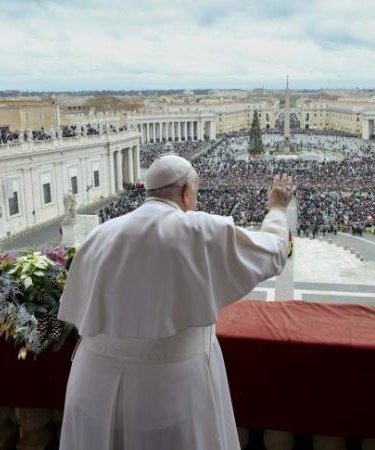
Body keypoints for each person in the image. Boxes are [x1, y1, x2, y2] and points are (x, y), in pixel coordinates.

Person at [57, 155, 294, 450]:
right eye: (194, 193)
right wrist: (277, 209)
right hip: (166, 392)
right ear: (185, 193)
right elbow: (274, 251)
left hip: (91, 384)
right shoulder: (198, 229)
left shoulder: (98, 235)